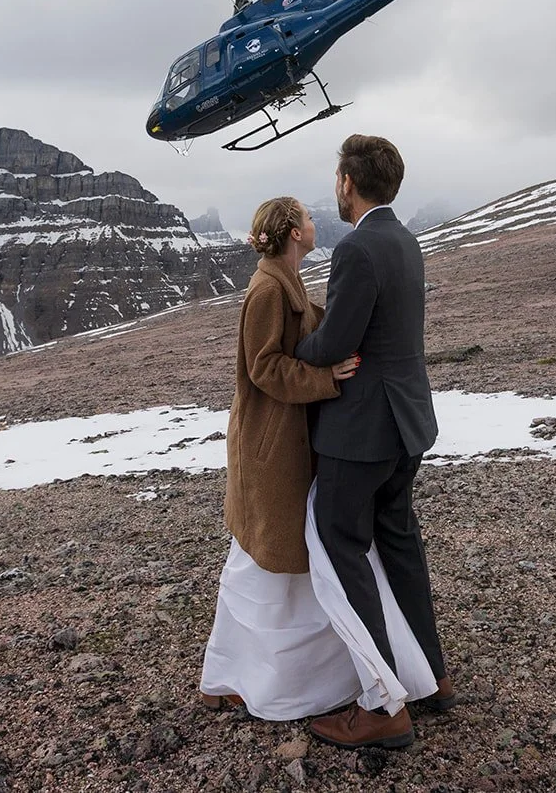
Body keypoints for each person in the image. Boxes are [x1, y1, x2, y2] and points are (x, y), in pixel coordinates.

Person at [295, 134, 454, 750]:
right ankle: (431, 677)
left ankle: (383, 705)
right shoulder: (406, 240)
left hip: (362, 430)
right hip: (408, 425)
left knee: (339, 545)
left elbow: (337, 343)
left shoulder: (357, 249)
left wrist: (291, 351)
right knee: (398, 542)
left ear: (346, 184)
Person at [196, 197, 363, 720]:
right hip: (269, 447)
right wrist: (325, 378)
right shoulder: (268, 288)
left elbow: (302, 329)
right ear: (293, 232)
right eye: (309, 219)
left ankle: (253, 676)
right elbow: (263, 366)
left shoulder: (283, 278)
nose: (316, 225)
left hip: (283, 441)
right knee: (262, 561)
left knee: (270, 559)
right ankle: (236, 676)